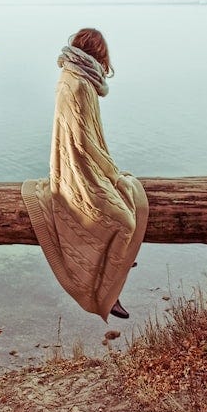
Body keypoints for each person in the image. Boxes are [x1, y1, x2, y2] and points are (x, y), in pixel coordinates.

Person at [21, 28, 148, 321]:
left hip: (85, 165)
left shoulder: (77, 78)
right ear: (99, 53)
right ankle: (107, 293)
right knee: (124, 221)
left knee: (131, 198)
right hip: (78, 171)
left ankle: (116, 264)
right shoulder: (76, 84)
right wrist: (111, 172)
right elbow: (82, 140)